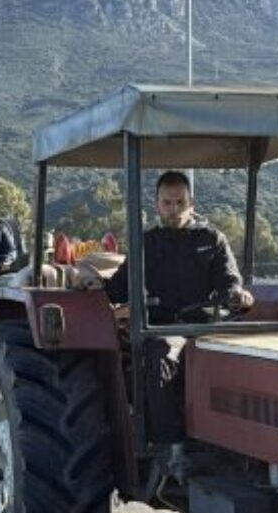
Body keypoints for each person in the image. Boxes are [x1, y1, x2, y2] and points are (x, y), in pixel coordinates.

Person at [91, 170, 253, 443]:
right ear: (157, 204)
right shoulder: (146, 243)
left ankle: (239, 442)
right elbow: (119, 287)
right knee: (162, 352)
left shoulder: (211, 240)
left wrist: (238, 296)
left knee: (247, 357)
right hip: (162, 325)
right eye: (167, 202)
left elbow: (229, 283)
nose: (174, 209)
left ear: (191, 205)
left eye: (180, 203)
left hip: (204, 326)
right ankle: (169, 446)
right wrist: (93, 285)